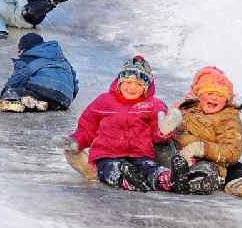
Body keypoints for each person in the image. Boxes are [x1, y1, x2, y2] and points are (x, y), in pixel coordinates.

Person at [65, 56, 188, 193]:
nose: (132, 88)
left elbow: (156, 136)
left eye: (139, 84)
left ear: (146, 88)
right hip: (107, 155)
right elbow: (87, 128)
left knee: (149, 168)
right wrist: (75, 141)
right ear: (119, 82)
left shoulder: (153, 105)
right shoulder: (104, 101)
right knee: (111, 169)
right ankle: (125, 179)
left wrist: (164, 130)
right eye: (128, 82)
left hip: (139, 155)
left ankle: (167, 179)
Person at [172, 66, 242, 198]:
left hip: (212, 161)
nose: (214, 98)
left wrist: (202, 148)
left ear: (227, 100)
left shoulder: (227, 118)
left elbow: (232, 151)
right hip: (179, 157)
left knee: (229, 167)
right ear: (199, 95)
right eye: (210, 93)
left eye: (220, 95)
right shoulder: (186, 110)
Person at [0, 33, 79, 113]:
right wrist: (69, 96)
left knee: (15, 91)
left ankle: (18, 99)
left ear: (25, 48)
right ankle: (45, 104)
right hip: (65, 97)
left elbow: (18, 78)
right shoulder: (61, 58)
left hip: (43, 89)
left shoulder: (29, 58)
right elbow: (74, 80)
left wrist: (4, 93)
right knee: (48, 96)